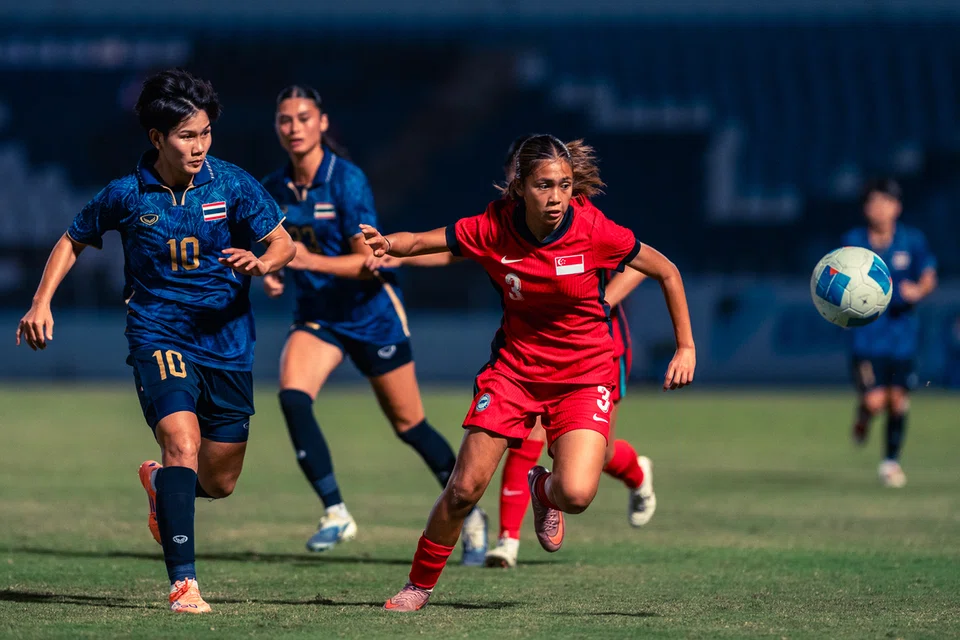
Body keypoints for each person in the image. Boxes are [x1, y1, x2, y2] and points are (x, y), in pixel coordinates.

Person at [361, 134, 695, 611]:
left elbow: (666, 270)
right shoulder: (494, 226)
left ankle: (542, 487)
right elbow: (423, 241)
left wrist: (685, 346)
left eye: (563, 185)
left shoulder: (593, 229)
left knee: (577, 494)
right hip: (514, 372)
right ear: (519, 187)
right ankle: (418, 585)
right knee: (463, 488)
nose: (555, 197)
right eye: (543, 186)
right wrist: (387, 243)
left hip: (584, 374)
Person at [15, 69, 295, 613]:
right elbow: (73, 239)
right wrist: (41, 300)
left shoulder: (232, 183)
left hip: (228, 342)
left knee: (219, 480)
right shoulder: (125, 194)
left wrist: (262, 263)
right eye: (187, 136)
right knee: (182, 443)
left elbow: (282, 242)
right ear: (157, 138)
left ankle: (159, 485)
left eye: (206, 133)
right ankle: (184, 584)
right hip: (158, 332)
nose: (199, 146)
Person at [259, 85, 487, 563]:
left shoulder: (347, 181)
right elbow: (278, 253)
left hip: (372, 315)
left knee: (410, 425)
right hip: (320, 317)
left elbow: (369, 262)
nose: (294, 127)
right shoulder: (274, 188)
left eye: (303, 117)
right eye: (285, 119)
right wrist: (275, 273)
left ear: (322, 123)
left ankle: (469, 512)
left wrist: (301, 260)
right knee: (292, 396)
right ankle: (336, 510)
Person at [482, 135, 654, 569]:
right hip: (537, 354)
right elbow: (451, 252)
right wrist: (401, 253)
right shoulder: (510, 223)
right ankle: (507, 540)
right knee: (531, 438)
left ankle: (637, 473)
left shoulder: (581, 218)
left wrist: (604, 302)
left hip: (598, 346)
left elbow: (641, 263)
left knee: (588, 453)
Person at [843, 178, 937, 488]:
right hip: (866, 338)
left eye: (885, 202)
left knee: (897, 401)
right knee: (874, 402)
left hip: (903, 337)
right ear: (865, 207)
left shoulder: (912, 241)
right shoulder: (854, 242)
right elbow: (834, 279)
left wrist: (919, 290)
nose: (879, 208)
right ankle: (864, 415)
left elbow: (928, 277)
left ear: (897, 207)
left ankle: (890, 462)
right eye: (873, 202)